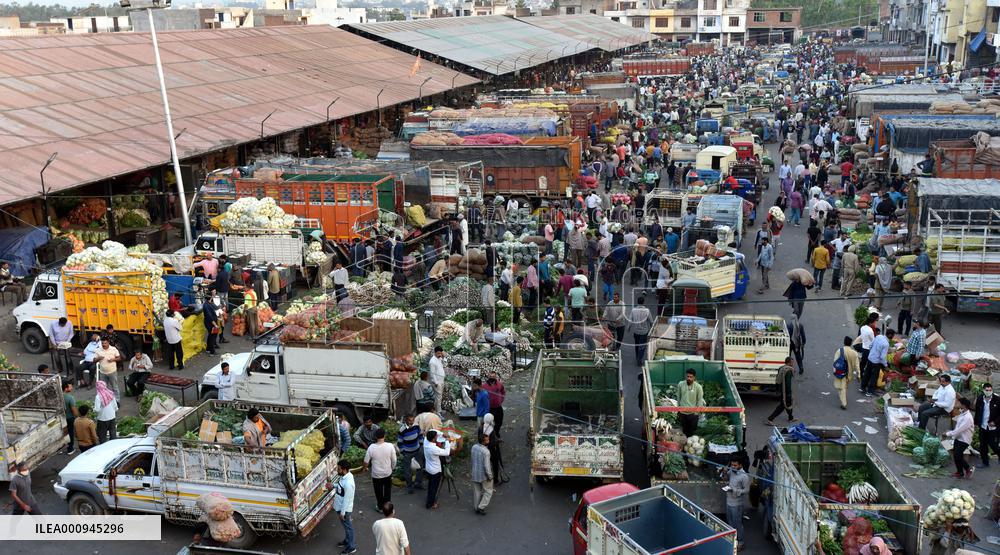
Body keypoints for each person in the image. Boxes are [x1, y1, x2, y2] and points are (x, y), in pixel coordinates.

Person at [364, 428, 396, 511]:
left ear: (375, 436)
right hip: (387, 473)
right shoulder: (390, 446)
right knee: (387, 491)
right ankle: (388, 507)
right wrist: (392, 468)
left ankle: (380, 507)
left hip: (376, 474)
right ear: (384, 435)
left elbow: (366, 461)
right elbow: (394, 460)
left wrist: (366, 467)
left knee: (378, 492)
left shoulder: (371, 447)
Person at [723, 459, 749, 551]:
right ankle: (733, 540)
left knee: (737, 523)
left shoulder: (744, 476)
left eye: (735, 465)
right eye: (732, 465)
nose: (733, 467)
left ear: (740, 465)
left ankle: (741, 542)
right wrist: (725, 472)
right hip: (729, 501)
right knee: (730, 522)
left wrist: (735, 490)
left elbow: (746, 490)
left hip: (737, 504)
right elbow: (725, 479)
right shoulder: (731, 471)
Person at [946, 398, 974, 479]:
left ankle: (968, 469)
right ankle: (960, 472)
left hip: (964, 439)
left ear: (963, 405)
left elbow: (959, 429)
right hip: (958, 438)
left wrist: (948, 433)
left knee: (958, 456)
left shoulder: (968, 417)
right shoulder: (962, 413)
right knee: (956, 455)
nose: (957, 403)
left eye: (959, 402)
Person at [423, 430, 452, 510]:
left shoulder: (426, 441)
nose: (437, 437)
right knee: (433, 488)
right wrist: (447, 442)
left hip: (429, 468)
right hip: (435, 470)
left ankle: (430, 500)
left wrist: (442, 434)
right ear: (433, 439)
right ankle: (430, 504)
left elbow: (432, 430)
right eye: (436, 437)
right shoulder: (433, 448)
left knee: (430, 485)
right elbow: (446, 452)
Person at [333, 460, 357, 554]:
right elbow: (340, 487)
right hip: (340, 507)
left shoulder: (348, 483)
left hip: (344, 510)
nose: (337, 470)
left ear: (344, 470)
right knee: (346, 526)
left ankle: (351, 547)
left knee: (348, 528)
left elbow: (347, 499)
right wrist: (333, 486)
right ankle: (347, 541)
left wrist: (342, 513)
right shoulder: (344, 476)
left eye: (338, 469)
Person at [975, 384, 1000, 468]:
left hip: (993, 427)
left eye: (990, 390)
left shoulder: (997, 399)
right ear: (983, 390)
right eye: (987, 390)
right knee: (983, 445)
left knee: (993, 444)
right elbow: (978, 412)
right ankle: (985, 462)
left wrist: (995, 422)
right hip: (983, 426)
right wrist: (976, 423)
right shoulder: (980, 399)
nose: (988, 392)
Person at [863, 329, 894, 397]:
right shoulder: (886, 344)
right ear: (890, 335)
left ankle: (862, 387)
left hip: (870, 357)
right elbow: (882, 357)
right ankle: (869, 391)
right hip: (876, 362)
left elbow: (870, 345)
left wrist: (872, 353)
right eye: (892, 335)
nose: (893, 337)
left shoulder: (878, 336)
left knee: (867, 373)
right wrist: (885, 366)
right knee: (874, 377)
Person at [397, 414, 424, 494]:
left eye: (412, 420)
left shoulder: (416, 426)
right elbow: (399, 443)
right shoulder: (402, 430)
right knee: (407, 471)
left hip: (417, 450)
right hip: (407, 453)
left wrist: (421, 445)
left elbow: (420, 435)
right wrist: (403, 452)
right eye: (409, 420)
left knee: (420, 467)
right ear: (406, 420)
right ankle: (410, 486)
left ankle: (418, 483)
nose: (411, 422)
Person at [766, 358, 796, 425]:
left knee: (788, 404)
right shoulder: (788, 370)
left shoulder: (781, 368)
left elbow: (777, 379)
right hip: (785, 392)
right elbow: (788, 383)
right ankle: (770, 419)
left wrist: (777, 389)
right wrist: (788, 393)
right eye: (792, 362)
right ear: (789, 362)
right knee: (782, 406)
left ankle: (791, 418)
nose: (793, 364)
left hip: (780, 389)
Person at [833, 336, 860, 410]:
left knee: (842, 387)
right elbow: (857, 365)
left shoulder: (839, 351)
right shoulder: (854, 353)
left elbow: (835, 362)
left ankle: (843, 403)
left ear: (844, 342)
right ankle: (842, 397)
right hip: (849, 374)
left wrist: (835, 371)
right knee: (844, 386)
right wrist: (859, 375)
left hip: (840, 373)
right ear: (851, 343)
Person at [677, 369, 705, 437]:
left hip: (693, 414)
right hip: (682, 413)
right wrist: (678, 409)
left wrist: (696, 413)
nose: (689, 378)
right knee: (684, 432)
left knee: (692, 432)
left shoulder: (698, 387)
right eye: (687, 376)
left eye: (691, 377)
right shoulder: (681, 384)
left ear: (694, 377)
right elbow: (678, 397)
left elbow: (699, 400)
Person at [470, 432, 494, 515]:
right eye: (487, 440)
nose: (489, 441)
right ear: (483, 442)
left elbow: (472, 460)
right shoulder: (486, 452)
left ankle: (476, 507)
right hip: (484, 476)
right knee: (488, 491)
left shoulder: (474, 447)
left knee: (477, 491)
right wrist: (490, 476)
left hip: (475, 473)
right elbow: (487, 466)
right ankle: (481, 507)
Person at [482, 369, 506, 437]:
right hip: (490, 409)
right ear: (488, 377)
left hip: (498, 407)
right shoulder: (484, 386)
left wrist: (501, 399)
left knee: (499, 421)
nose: (492, 378)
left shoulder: (499, 384)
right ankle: (490, 435)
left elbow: (503, 392)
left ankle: (496, 432)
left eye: (493, 377)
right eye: (491, 377)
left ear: (495, 377)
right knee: (489, 423)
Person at [630, 296, 653, 362]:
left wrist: (628, 328)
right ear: (643, 302)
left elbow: (630, 320)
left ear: (637, 302)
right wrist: (652, 328)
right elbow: (651, 321)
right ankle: (639, 359)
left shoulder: (633, 310)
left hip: (636, 331)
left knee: (637, 345)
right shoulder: (647, 310)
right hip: (644, 331)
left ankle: (638, 356)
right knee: (642, 346)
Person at [429, 347, 446, 414]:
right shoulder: (432, 361)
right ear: (435, 352)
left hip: (441, 380)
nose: (440, 354)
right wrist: (435, 382)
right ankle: (438, 411)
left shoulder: (439, 359)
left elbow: (445, 364)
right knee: (438, 397)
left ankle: (439, 410)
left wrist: (444, 357)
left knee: (440, 396)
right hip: (437, 382)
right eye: (438, 353)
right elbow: (432, 373)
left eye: (440, 353)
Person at [64, 381, 78, 454]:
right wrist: (77, 416)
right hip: (69, 418)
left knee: (63, 432)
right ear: (66, 389)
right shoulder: (70, 397)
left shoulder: (59, 395)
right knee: (70, 433)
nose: (72, 387)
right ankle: (70, 448)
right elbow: (73, 410)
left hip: (61, 418)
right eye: (70, 386)